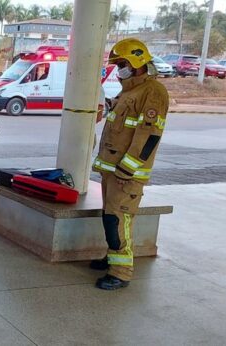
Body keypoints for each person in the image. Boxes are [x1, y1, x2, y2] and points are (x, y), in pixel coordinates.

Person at [90, 38, 169, 290]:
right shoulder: (130, 90)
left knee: (117, 220)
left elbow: (149, 136)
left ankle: (121, 271)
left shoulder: (153, 92)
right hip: (113, 171)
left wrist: (128, 168)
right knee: (110, 217)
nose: (118, 69)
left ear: (136, 62)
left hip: (127, 174)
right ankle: (112, 257)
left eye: (122, 64)